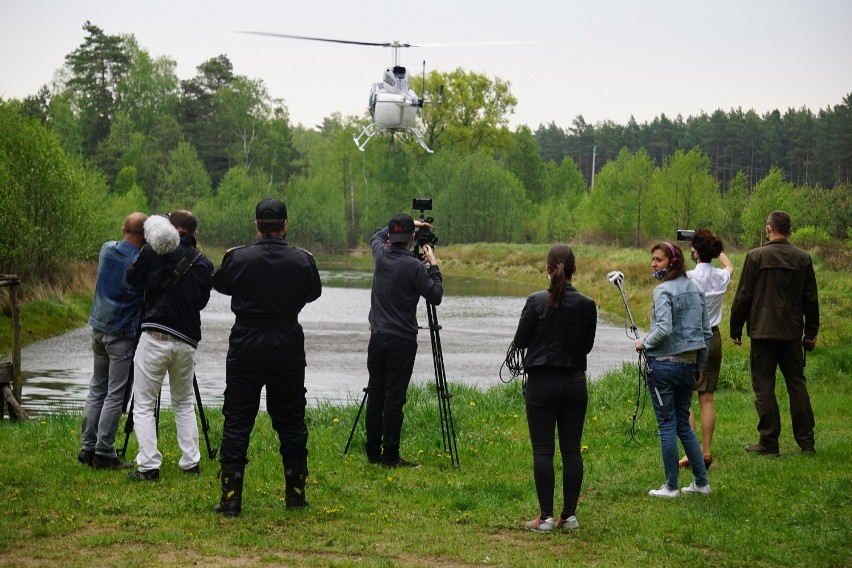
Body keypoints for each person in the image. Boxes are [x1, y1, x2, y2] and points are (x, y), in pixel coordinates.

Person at [211, 199, 322, 516]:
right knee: (291, 418)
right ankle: (296, 495)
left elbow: (221, 284)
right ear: (285, 226)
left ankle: (231, 499)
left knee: (237, 418)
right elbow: (314, 293)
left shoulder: (238, 257)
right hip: (286, 340)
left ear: (257, 225)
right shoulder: (302, 260)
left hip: (247, 340)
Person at [125, 210, 214, 481]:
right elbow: (200, 302)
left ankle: (149, 466)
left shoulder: (153, 251)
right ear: (194, 232)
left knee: (143, 404)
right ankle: (190, 462)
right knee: (184, 402)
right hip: (186, 340)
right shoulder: (203, 263)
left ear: (170, 227)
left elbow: (132, 279)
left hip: (154, 336)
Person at [513, 245, 597, 533]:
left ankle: (546, 518)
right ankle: (569, 516)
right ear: (574, 269)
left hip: (541, 384)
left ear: (547, 269)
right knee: (572, 451)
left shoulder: (536, 301)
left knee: (542, 451)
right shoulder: (588, 304)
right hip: (574, 382)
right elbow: (586, 346)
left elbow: (521, 341)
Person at [730, 211, 819, 456]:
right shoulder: (803, 258)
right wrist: (811, 332)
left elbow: (744, 295)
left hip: (762, 331)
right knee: (796, 384)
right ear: (788, 230)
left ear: (769, 229)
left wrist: (735, 328)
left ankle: (769, 442)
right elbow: (811, 299)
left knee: (764, 385)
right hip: (791, 332)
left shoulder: (755, 256)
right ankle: (806, 441)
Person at [634, 242, 712, 498]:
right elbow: (706, 333)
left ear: (673, 262)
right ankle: (701, 483)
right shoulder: (697, 290)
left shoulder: (662, 290)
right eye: (652, 260)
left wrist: (643, 342)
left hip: (663, 368)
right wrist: (699, 366)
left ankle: (671, 487)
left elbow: (664, 329)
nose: (653, 264)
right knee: (683, 426)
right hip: (688, 366)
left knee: (667, 426)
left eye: (658, 260)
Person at [365, 213, 443, 468]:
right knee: (394, 398)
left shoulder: (381, 254)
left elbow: (376, 235)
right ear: (412, 238)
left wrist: (413, 224)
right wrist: (433, 265)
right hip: (402, 341)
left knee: (376, 394)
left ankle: (373, 453)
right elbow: (435, 296)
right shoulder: (413, 266)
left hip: (377, 338)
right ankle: (390, 456)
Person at [78, 212, 148, 470]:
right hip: (121, 334)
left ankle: (87, 446)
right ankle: (104, 452)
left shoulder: (106, 250)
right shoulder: (141, 263)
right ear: (146, 235)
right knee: (115, 393)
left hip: (98, 328)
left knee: (97, 387)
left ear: (123, 230)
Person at [678, 228, 734, 470]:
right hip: (714, 337)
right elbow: (729, 266)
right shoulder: (722, 277)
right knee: (707, 397)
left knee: (685, 398)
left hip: (692, 338)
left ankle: (690, 452)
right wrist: (718, 252)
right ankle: (706, 450)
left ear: (695, 252)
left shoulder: (689, 277)